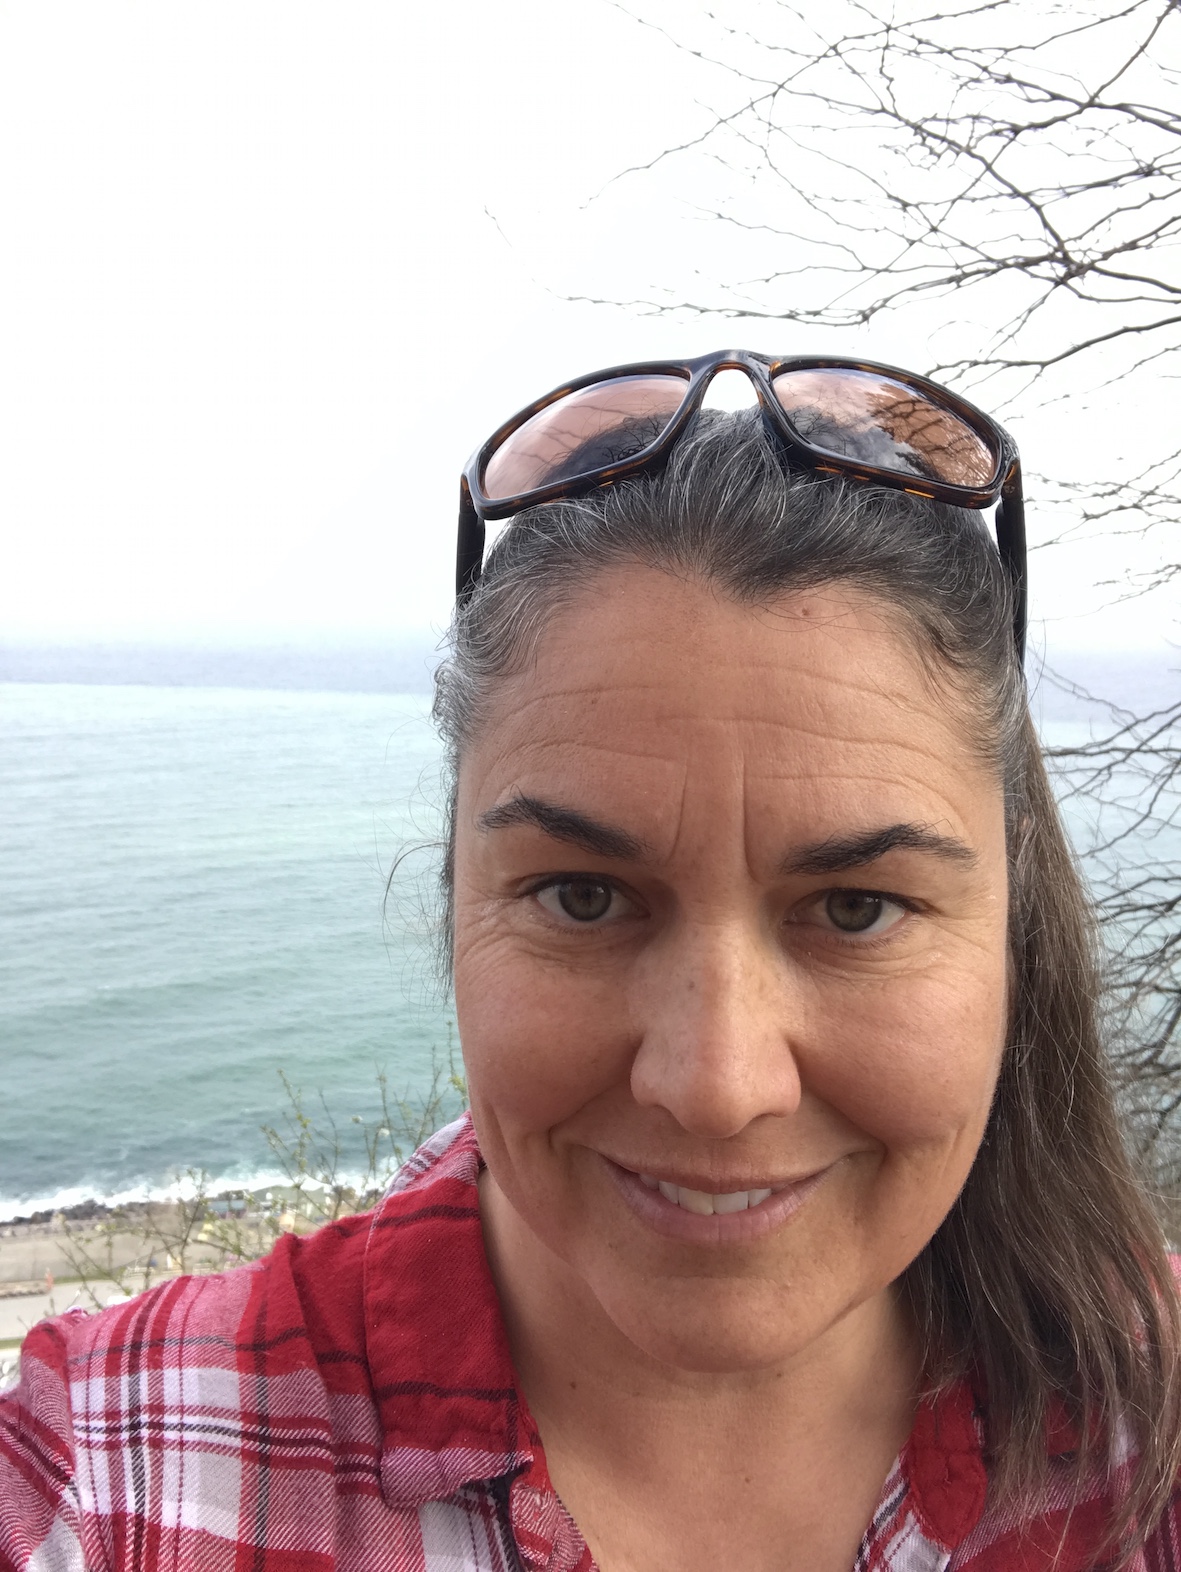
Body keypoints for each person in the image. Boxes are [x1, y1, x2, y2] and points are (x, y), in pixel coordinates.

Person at [1, 350, 1179, 1571]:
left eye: (854, 910)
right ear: (454, 891)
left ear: (1009, 920)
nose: (715, 1087)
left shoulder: (1150, 1428)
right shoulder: (108, 1483)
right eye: (583, 897)